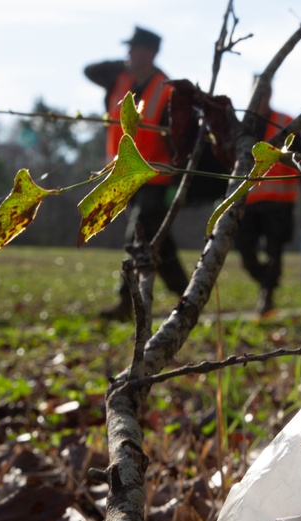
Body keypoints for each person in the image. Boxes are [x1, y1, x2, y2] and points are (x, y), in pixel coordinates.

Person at [84, 26, 189, 321]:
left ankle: (125, 303)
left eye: (135, 49)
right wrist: (124, 65)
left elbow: (180, 142)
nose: (129, 53)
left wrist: (178, 181)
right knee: (159, 243)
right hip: (125, 177)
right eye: (128, 49)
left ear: (151, 53)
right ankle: (187, 294)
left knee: (138, 236)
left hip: (156, 178)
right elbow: (88, 70)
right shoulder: (119, 80)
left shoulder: (168, 90)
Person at [236, 81, 301, 316]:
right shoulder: (243, 126)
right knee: (245, 250)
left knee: (274, 250)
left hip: (279, 201)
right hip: (249, 201)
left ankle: (267, 295)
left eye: (264, 94)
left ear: (269, 94)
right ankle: (266, 281)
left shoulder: (285, 122)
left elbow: (300, 157)